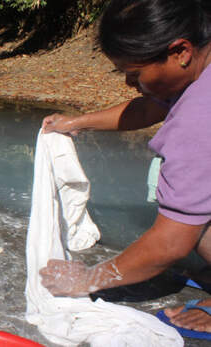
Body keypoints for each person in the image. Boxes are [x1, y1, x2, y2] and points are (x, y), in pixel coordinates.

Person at [39, 0, 211, 335]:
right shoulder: (197, 68)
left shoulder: (198, 123)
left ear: (181, 51)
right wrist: (77, 122)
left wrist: (88, 279)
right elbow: (151, 106)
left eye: (135, 73)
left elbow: (170, 243)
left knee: (196, 222)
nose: (130, 83)